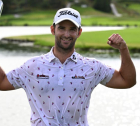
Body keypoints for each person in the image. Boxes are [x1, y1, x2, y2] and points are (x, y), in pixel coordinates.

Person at [0, 7, 136, 126]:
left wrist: (123, 49)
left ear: (79, 32)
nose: (66, 34)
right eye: (61, 28)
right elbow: (2, 83)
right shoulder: (32, 66)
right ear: (53, 29)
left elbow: (127, 81)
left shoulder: (92, 67)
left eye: (72, 29)